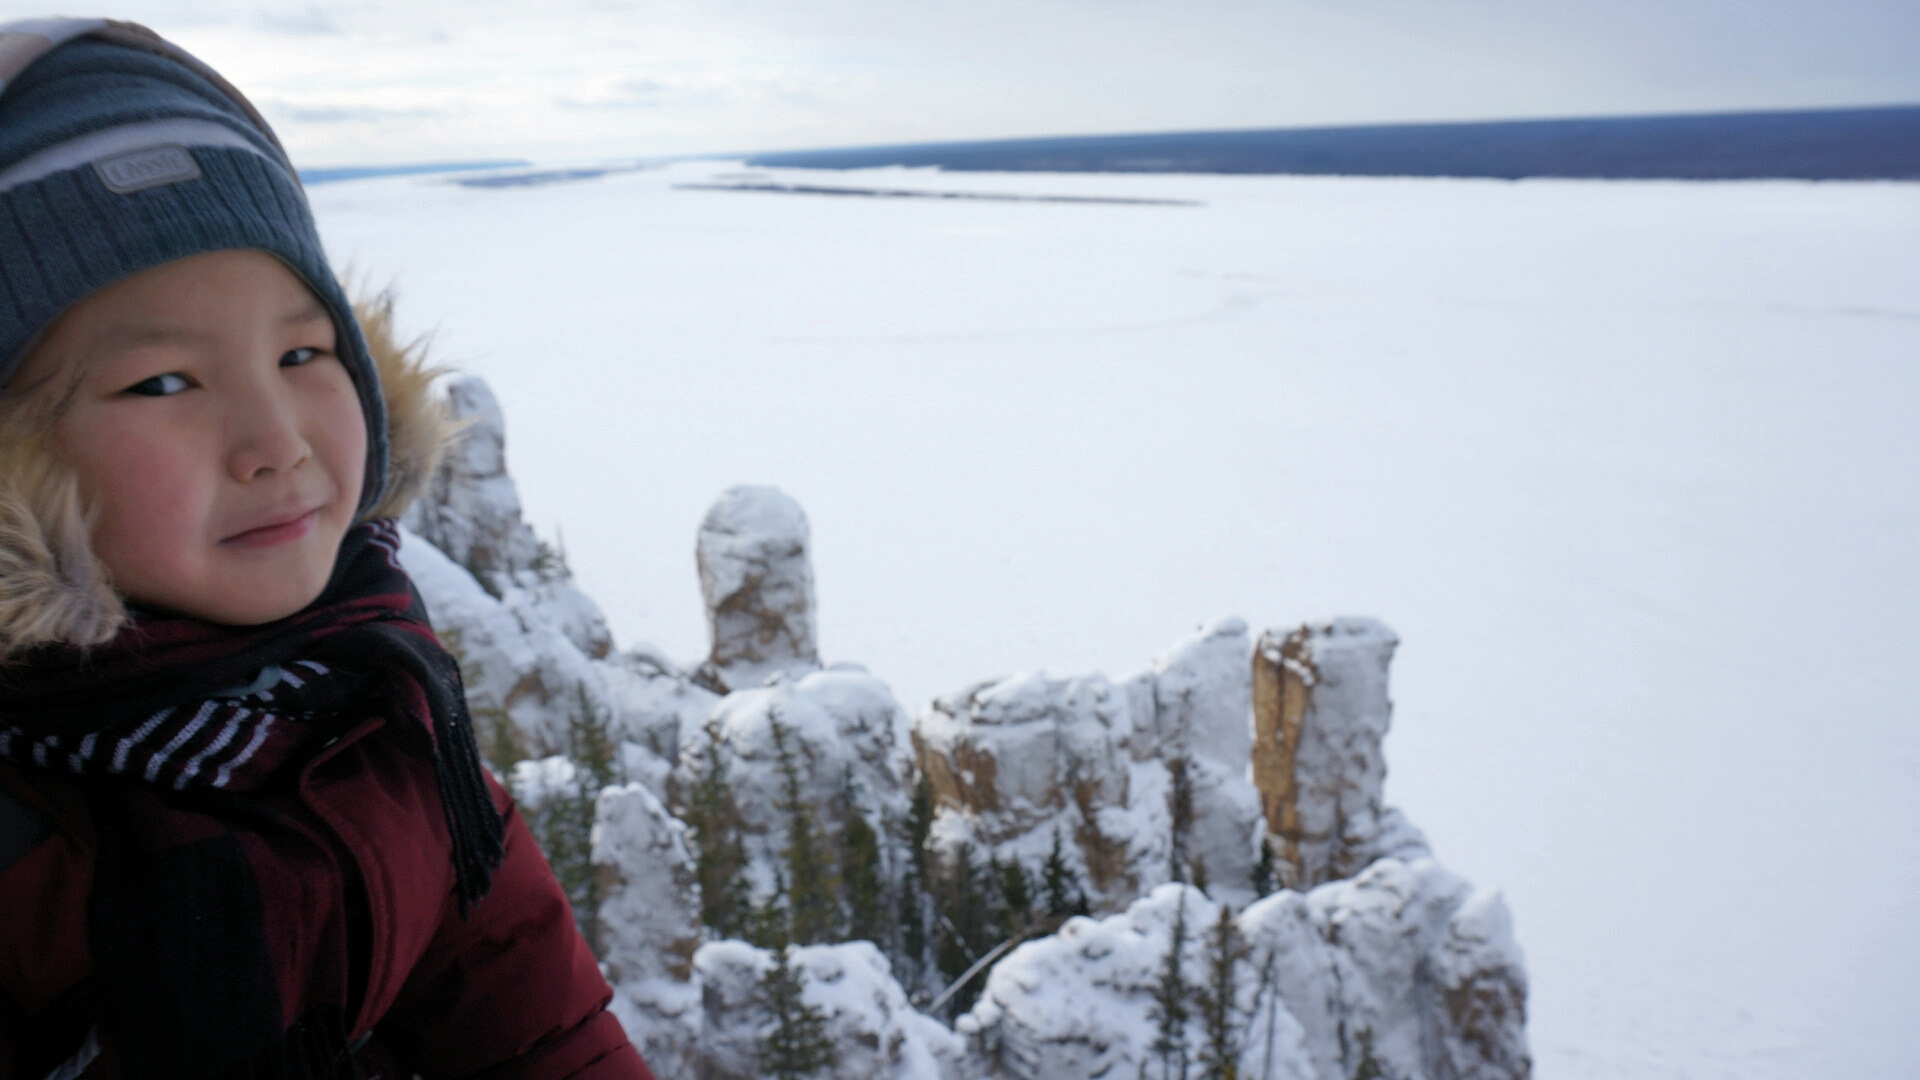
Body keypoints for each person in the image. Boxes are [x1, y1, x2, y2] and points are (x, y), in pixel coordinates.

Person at [0, 19, 653, 1079]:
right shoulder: (33, 846)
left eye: (304, 352)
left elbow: (542, 1026)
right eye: (162, 382)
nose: (278, 443)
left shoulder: (372, 703)